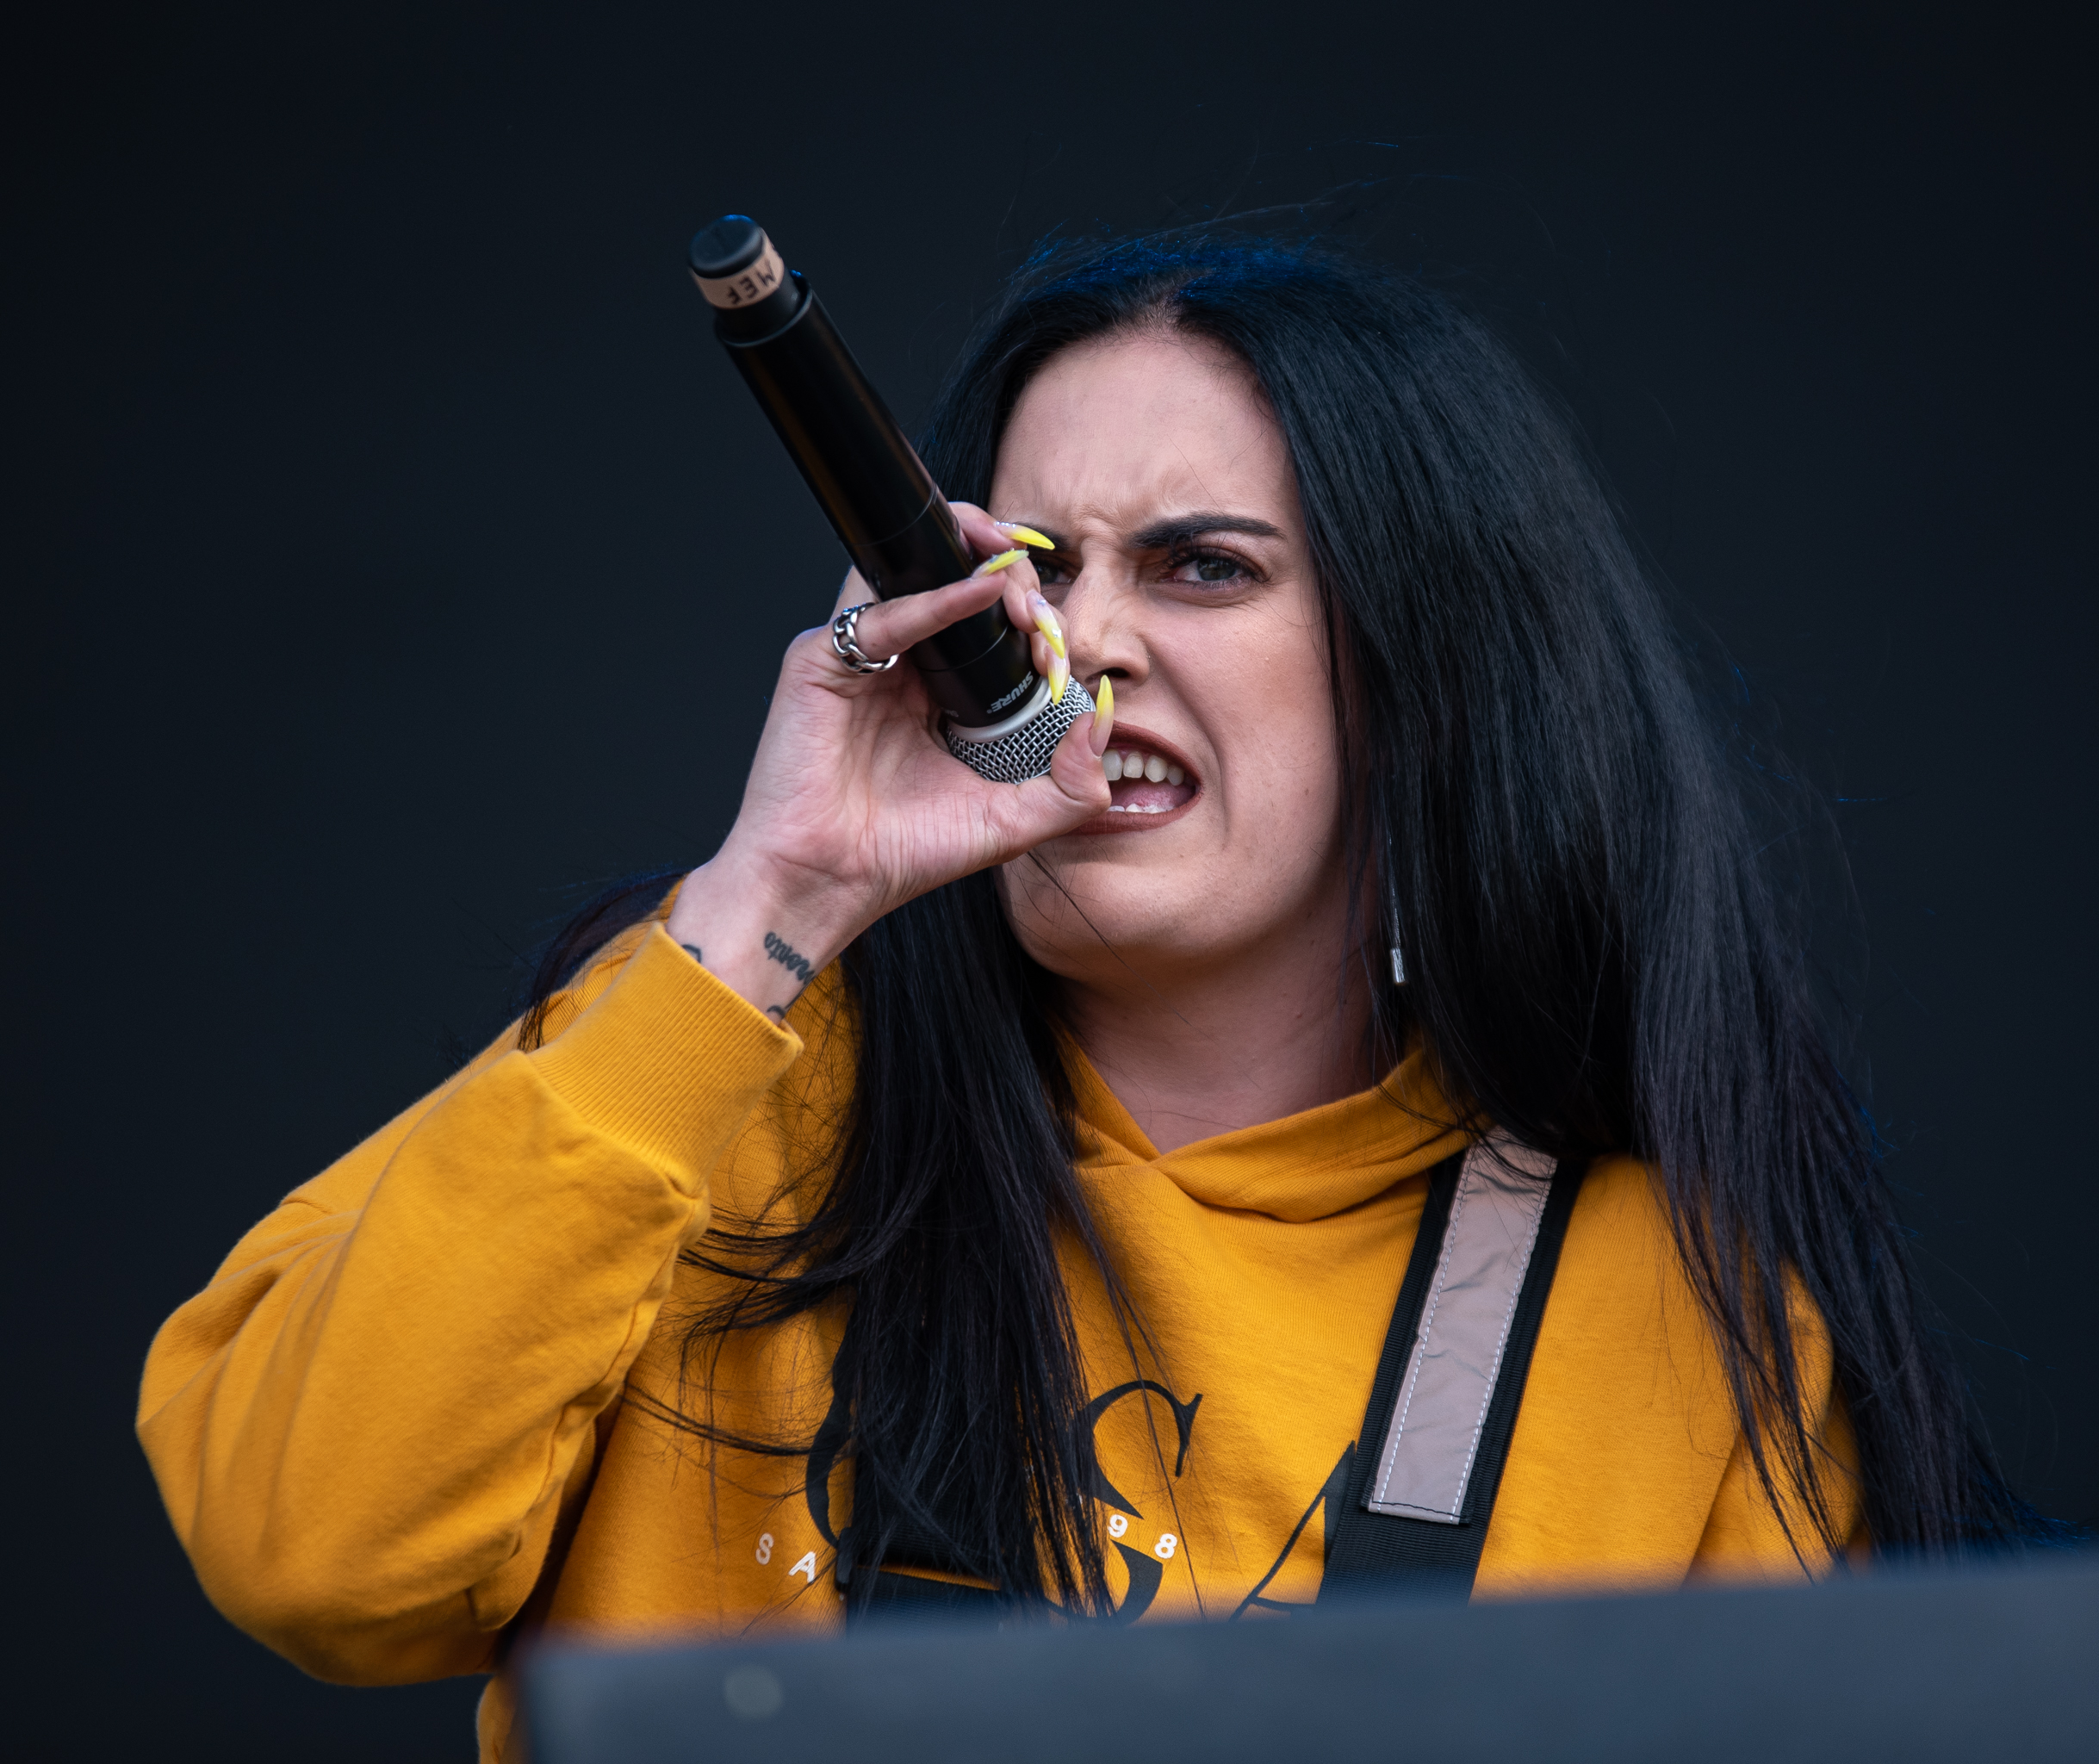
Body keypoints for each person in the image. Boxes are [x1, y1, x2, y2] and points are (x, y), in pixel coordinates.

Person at [138, 232, 2035, 1761]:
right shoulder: (694, 1075)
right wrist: (772, 899)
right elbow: (311, 1556)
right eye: (1034, 566)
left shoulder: (1669, 1308)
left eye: (1202, 568)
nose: (1084, 636)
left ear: (1426, 669)